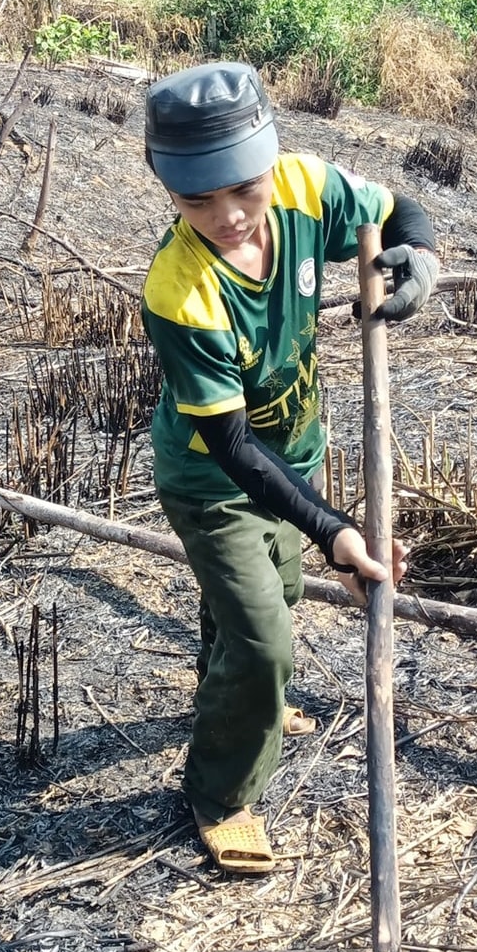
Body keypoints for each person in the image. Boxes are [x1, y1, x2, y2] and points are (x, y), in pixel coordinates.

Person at [140, 61, 438, 873]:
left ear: (271, 159)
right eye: (196, 199)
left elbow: (397, 209)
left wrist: (419, 254)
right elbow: (233, 448)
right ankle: (219, 792)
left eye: (242, 188)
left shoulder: (305, 189)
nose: (227, 216)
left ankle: (238, 698)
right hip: (214, 483)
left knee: (273, 595)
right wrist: (336, 530)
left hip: (293, 459)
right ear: (166, 187)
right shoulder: (179, 292)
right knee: (268, 639)